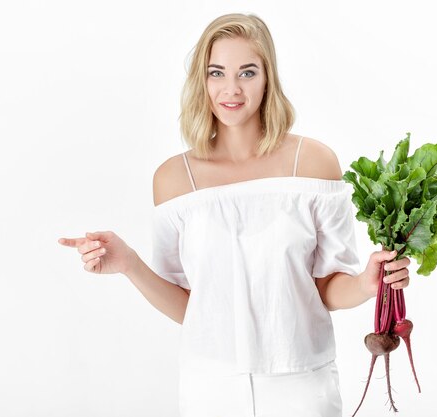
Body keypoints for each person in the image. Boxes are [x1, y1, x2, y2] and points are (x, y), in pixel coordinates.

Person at [58, 12, 410, 417]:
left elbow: (326, 288)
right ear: (201, 81)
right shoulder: (175, 179)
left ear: (267, 78)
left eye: (247, 72)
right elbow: (192, 307)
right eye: (216, 72)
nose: (231, 88)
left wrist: (367, 284)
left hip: (301, 384)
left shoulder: (312, 163)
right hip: (210, 390)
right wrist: (130, 265)